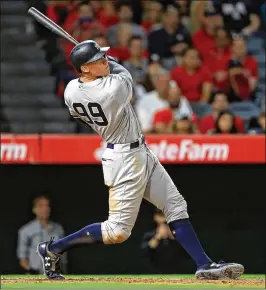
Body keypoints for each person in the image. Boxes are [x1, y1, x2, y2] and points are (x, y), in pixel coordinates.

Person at [37, 40, 244, 280]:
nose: (105, 60)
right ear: (84, 68)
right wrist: (114, 65)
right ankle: (53, 249)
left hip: (139, 151)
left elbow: (93, 79)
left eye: (104, 57)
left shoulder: (72, 91)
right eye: (98, 60)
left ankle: (203, 264)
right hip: (124, 158)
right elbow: (123, 74)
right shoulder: (113, 90)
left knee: (175, 204)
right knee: (117, 231)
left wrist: (99, 65)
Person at [17, 195, 66, 274]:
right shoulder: (25, 230)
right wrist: (31, 271)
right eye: (41, 206)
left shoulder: (58, 229)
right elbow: (22, 258)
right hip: (34, 277)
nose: (45, 209)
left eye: (47, 206)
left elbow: (63, 255)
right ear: (34, 209)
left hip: (55, 276)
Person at [141, 209, 188, 274]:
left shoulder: (178, 234)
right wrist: (157, 237)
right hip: (154, 273)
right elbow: (145, 253)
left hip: (178, 272)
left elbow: (187, 253)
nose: (164, 218)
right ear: (156, 217)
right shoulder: (149, 234)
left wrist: (173, 237)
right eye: (161, 215)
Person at [228, 37, 258, 102]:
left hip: (248, 94)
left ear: (246, 48)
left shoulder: (252, 61)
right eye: (237, 46)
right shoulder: (228, 61)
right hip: (230, 95)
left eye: (242, 46)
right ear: (232, 48)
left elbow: (253, 83)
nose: (240, 49)